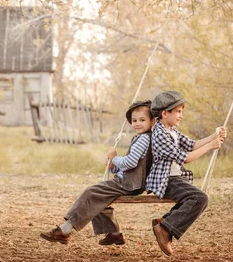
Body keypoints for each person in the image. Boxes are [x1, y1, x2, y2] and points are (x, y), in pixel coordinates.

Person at [40, 100, 155, 246]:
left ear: (152, 121)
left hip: (129, 183)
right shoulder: (140, 138)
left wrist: (115, 157)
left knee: (91, 193)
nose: (137, 123)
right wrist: (114, 166)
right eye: (134, 120)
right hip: (129, 181)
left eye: (142, 120)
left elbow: (130, 162)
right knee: (99, 197)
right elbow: (131, 165)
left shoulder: (144, 139)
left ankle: (64, 230)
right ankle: (114, 234)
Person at [146, 90, 227, 256]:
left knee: (195, 197)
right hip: (166, 180)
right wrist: (211, 146)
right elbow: (186, 158)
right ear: (165, 113)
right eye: (178, 112)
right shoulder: (160, 134)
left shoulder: (172, 131)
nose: (181, 115)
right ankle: (165, 228)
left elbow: (192, 145)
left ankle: (165, 223)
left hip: (174, 178)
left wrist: (214, 136)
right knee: (199, 198)